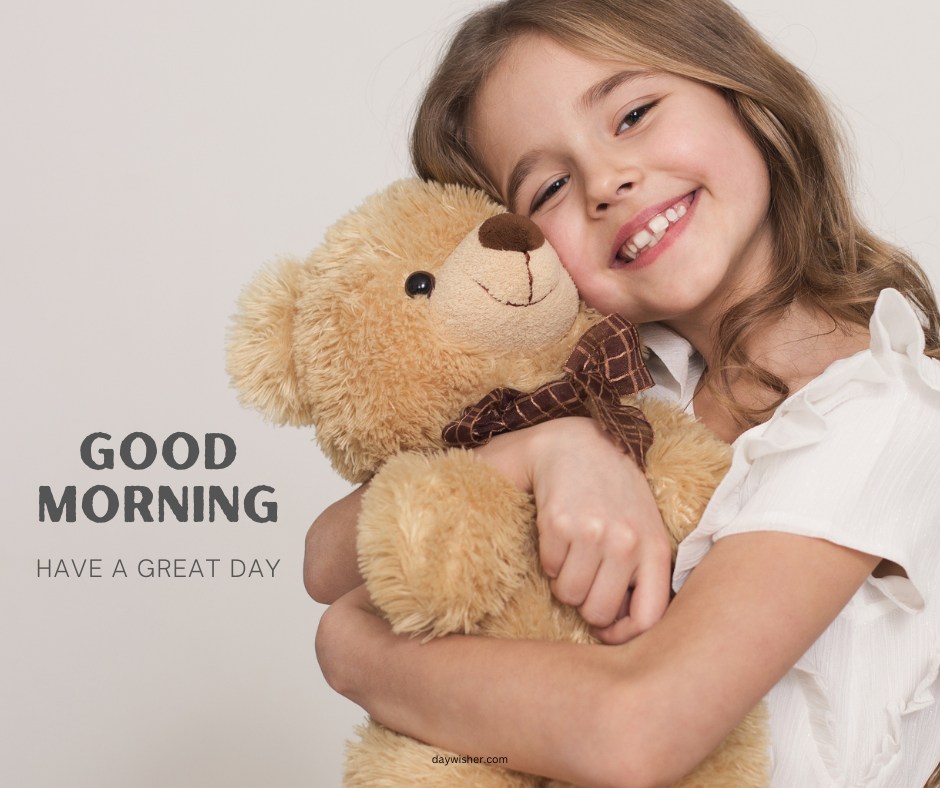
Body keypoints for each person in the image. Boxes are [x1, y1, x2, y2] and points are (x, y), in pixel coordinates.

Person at [308, 1, 940, 785]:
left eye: (633, 114)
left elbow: (635, 732)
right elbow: (328, 559)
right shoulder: (621, 389)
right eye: (547, 189)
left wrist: (352, 650)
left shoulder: (886, 411)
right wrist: (547, 446)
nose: (606, 183)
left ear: (741, 92)